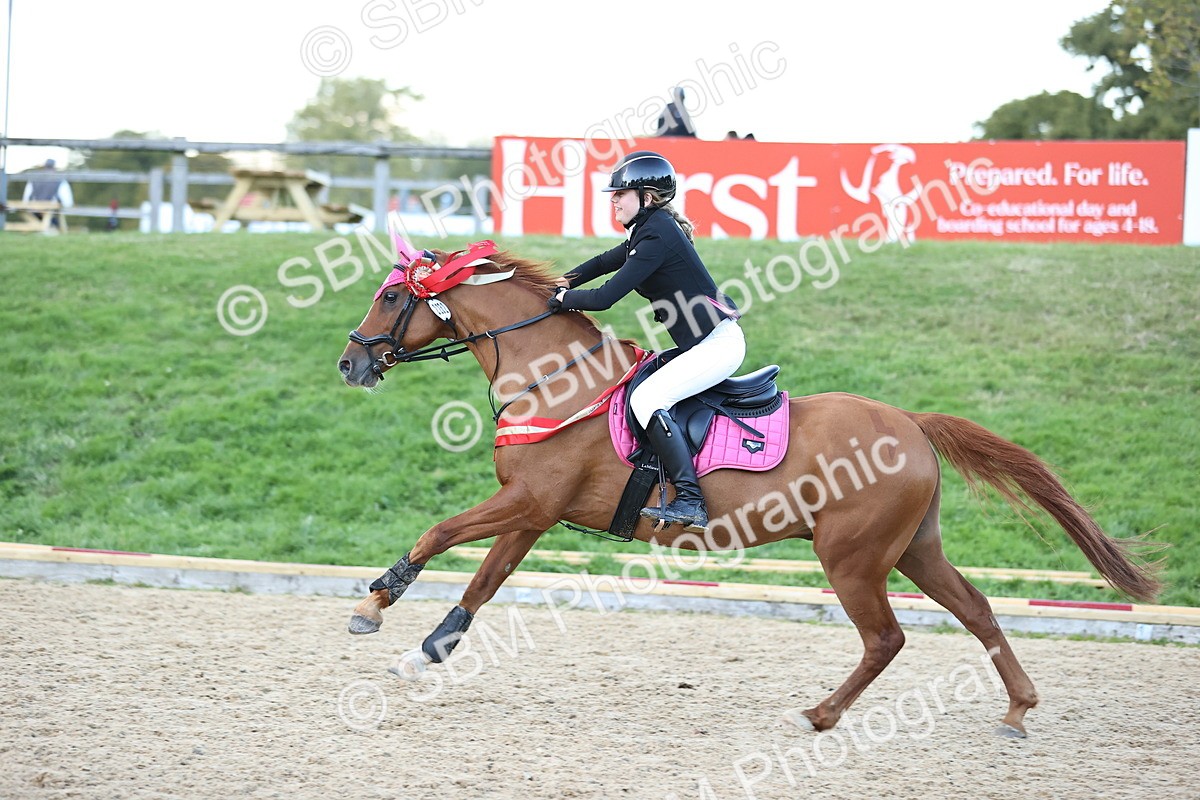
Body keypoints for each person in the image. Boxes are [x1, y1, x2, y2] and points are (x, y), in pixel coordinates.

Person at [547, 151, 746, 534]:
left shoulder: (657, 234)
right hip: (703, 343)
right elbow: (606, 261)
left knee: (646, 400)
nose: (613, 199)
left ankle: (690, 499)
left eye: (621, 193)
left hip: (717, 346)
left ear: (648, 196)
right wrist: (564, 280)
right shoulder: (649, 230)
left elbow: (605, 296)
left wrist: (562, 300)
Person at [22, 159, 74, 231]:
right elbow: (67, 202)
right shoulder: (60, 180)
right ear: (54, 167)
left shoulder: (33, 179)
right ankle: (48, 229)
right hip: (51, 210)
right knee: (54, 219)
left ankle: (41, 228)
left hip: (34, 210)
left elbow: (26, 199)